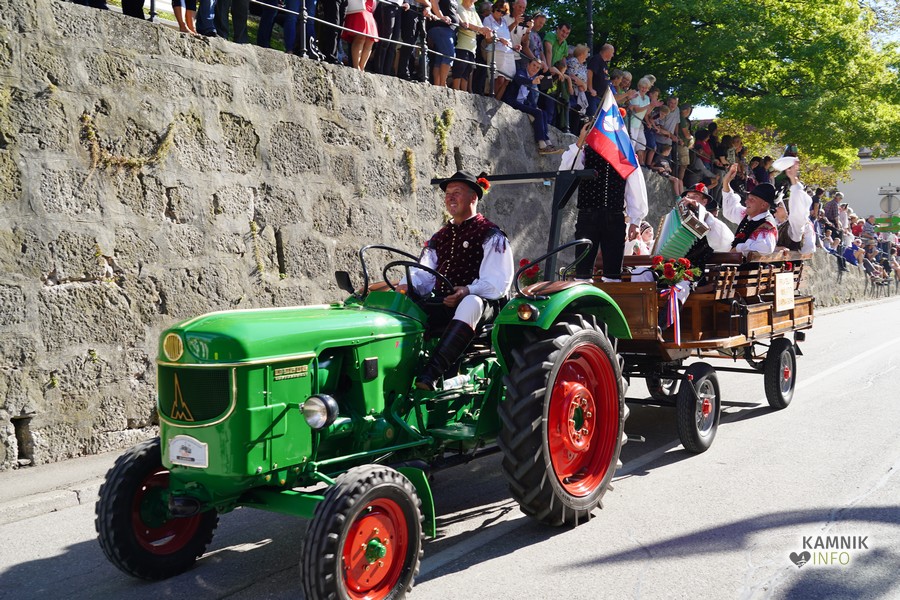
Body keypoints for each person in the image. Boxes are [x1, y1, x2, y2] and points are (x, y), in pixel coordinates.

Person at [400, 171, 514, 390]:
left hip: (485, 306)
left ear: (473, 197)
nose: (450, 197)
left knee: (471, 302)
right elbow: (424, 274)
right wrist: (406, 285)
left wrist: (467, 290)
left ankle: (431, 374)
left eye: (457, 192)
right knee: (407, 303)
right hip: (444, 302)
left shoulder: (490, 234)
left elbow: (497, 283)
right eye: (447, 194)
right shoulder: (440, 236)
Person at [559, 122, 649, 281]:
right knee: (582, 272)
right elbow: (565, 170)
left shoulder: (625, 156)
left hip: (614, 216)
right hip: (588, 216)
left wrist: (635, 221)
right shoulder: (584, 151)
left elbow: (635, 188)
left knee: (613, 273)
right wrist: (580, 142)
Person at [720, 163, 778, 255]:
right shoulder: (750, 216)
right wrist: (726, 182)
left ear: (764, 205)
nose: (746, 201)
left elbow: (766, 247)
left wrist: (738, 248)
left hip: (745, 264)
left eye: (752, 199)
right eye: (748, 198)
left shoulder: (766, 225)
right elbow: (730, 210)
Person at [772, 159, 816, 254]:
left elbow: (798, 212)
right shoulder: (774, 223)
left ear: (788, 212)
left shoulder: (794, 227)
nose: (776, 208)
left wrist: (794, 181)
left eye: (780, 206)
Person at [342, 0, 379, 70]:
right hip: (359, 7)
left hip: (369, 10)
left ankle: (361, 68)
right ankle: (356, 67)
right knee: (360, 37)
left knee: (370, 41)